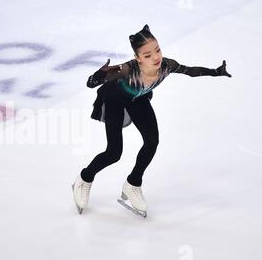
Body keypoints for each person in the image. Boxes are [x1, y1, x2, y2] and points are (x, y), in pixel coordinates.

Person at [72, 24, 232, 217]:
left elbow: (190, 71)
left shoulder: (167, 65)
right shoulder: (126, 70)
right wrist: (98, 75)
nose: (155, 57)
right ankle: (84, 179)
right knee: (114, 153)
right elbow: (91, 83)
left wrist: (215, 72)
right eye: (147, 55)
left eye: (157, 50)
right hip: (115, 99)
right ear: (138, 58)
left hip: (138, 98)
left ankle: (133, 184)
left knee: (152, 142)